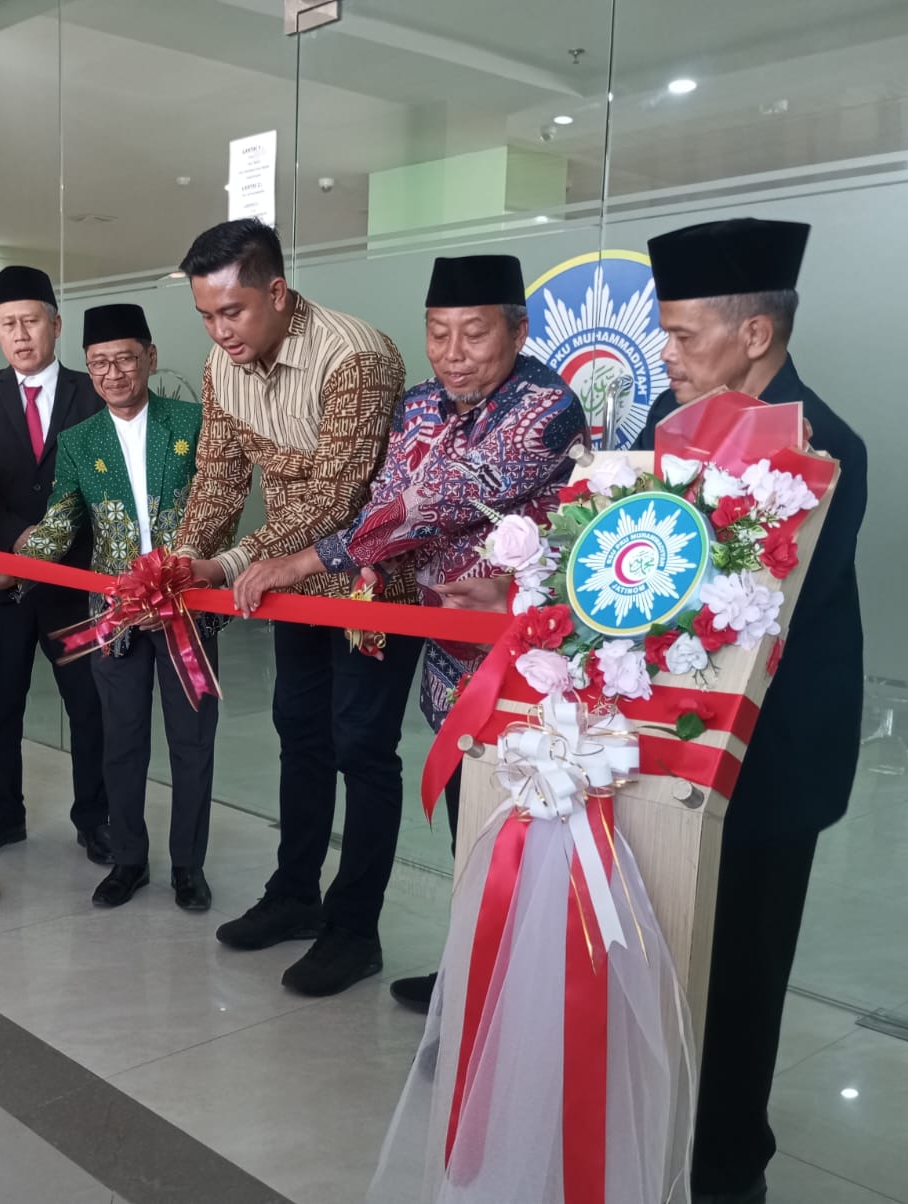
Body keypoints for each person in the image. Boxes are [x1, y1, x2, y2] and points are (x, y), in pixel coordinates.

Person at [231, 255, 588, 1008]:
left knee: (519, 822)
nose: (453, 352)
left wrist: (305, 559)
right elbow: (390, 494)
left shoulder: (546, 407)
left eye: (474, 333)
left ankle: (521, 991)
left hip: (525, 657)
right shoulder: (419, 404)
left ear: (518, 331)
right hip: (442, 645)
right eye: (438, 333)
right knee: (469, 818)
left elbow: (436, 499)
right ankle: (473, 975)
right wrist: (352, 561)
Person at [637, 218, 867, 1204]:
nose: (668, 355)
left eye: (685, 335)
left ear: (755, 336)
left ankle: (729, 1169)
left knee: (741, 975)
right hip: (663, 747)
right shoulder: (659, 420)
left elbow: (751, 615)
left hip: (769, 762)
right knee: (660, 955)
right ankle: (650, 1129)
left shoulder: (822, 447)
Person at [170, 218, 420, 997]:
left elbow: (345, 492)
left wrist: (236, 558)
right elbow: (217, 475)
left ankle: (356, 930)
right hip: (289, 585)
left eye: (233, 311)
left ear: (276, 291)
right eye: (206, 316)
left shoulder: (357, 355)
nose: (219, 331)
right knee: (300, 736)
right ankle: (296, 896)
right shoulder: (222, 363)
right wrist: (184, 553)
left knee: (362, 749)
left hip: (375, 584)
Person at [0, 303, 222, 910]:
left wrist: (191, 561)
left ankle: (189, 865)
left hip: (187, 610)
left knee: (191, 742)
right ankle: (129, 860)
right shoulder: (79, 441)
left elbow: (219, 506)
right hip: (115, 617)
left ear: (150, 359)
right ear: (88, 366)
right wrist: (9, 570)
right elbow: (59, 523)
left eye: (125, 359)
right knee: (122, 739)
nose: (112, 373)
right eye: (99, 363)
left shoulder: (195, 422)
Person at [0, 265, 110, 864]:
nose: (20, 334)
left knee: (89, 705)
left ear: (56, 325)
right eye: (8, 324)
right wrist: (21, 537)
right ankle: (2, 815)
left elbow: (105, 480)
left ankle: (96, 818)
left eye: (31, 321)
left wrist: (55, 542)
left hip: (75, 585)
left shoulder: (92, 393)